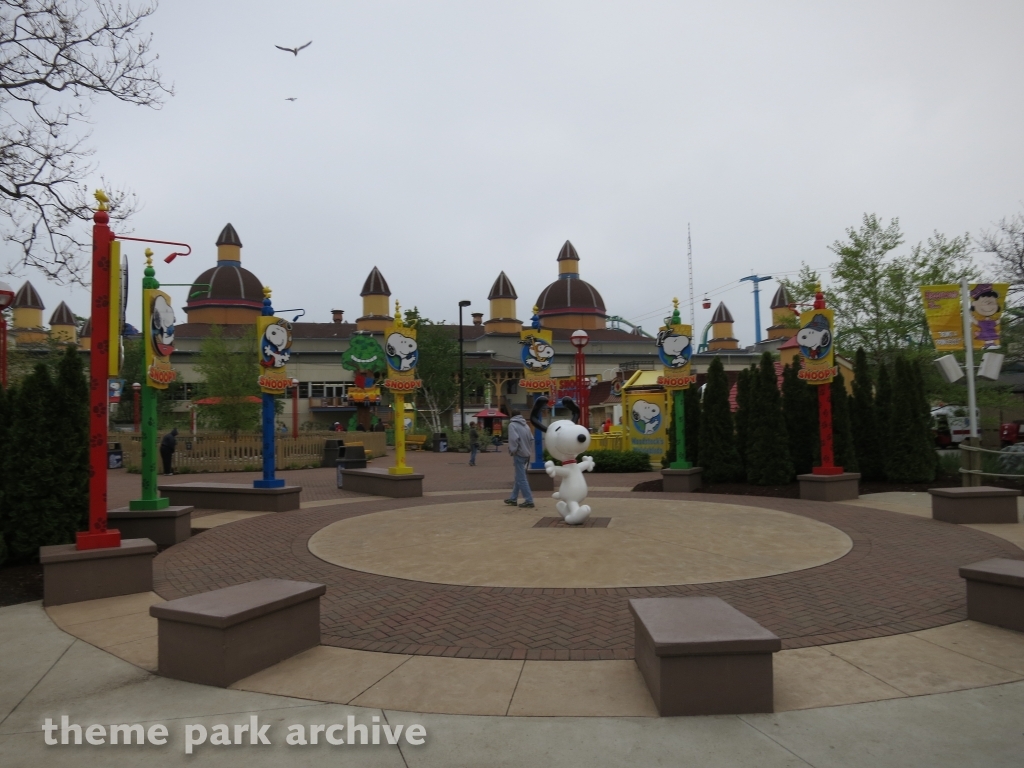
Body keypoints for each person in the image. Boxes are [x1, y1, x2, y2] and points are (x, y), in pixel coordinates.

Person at [505, 410, 534, 508]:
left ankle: (529, 500)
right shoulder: (526, 425)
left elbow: (514, 439)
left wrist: (512, 450)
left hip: (519, 454)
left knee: (521, 479)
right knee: (519, 477)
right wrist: (528, 449)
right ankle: (513, 498)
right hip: (526, 454)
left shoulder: (512, 425)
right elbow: (531, 439)